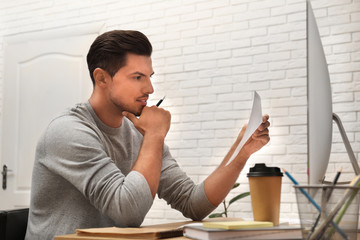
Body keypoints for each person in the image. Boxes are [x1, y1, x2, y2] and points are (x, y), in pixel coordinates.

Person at [25, 30, 270, 239]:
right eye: (137, 77)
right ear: (102, 78)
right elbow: (127, 211)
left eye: (149, 77)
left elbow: (193, 203)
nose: (150, 89)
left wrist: (242, 150)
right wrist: (154, 136)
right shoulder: (68, 131)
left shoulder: (139, 132)